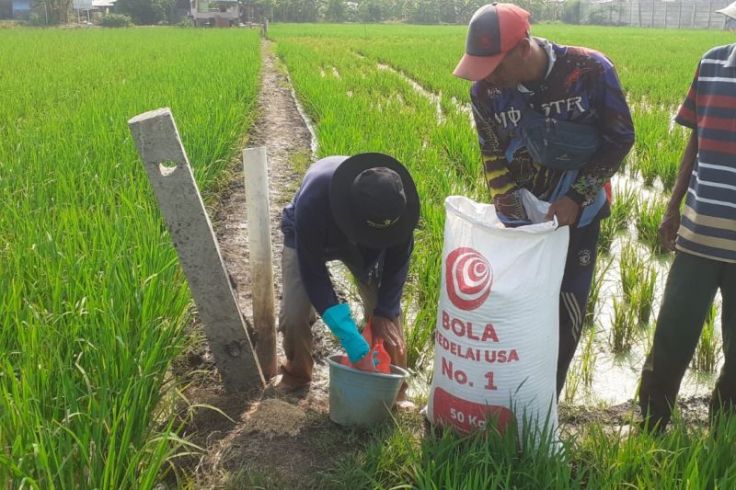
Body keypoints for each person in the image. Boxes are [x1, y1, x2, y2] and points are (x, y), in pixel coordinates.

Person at [453, 3, 635, 396]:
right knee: (516, 305)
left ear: (522, 47)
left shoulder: (589, 71)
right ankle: (509, 390)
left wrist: (576, 197)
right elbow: (491, 151)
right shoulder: (484, 91)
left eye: (496, 65)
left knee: (565, 310)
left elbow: (620, 138)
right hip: (522, 222)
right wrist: (507, 209)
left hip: (578, 218)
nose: (490, 77)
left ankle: (545, 400)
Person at [638, 30, 736, 432]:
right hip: (699, 234)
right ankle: (651, 421)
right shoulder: (712, 63)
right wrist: (671, 206)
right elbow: (695, 141)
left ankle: (724, 426)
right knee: (672, 334)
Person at [276, 152, 419, 403]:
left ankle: (394, 390)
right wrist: (348, 334)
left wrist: (384, 311)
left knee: (389, 323)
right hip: (312, 235)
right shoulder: (315, 200)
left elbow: (396, 269)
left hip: (368, 247)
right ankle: (297, 373)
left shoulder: (398, 208)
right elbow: (313, 273)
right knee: (294, 315)